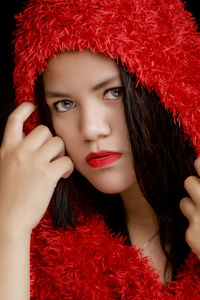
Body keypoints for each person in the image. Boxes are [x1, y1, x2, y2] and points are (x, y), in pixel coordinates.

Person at [1, 0, 200, 298]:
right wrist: (10, 230)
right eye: (64, 104)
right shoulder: (41, 250)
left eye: (114, 92)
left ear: (169, 90)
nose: (91, 129)